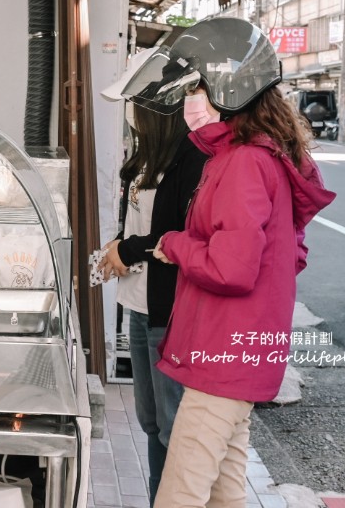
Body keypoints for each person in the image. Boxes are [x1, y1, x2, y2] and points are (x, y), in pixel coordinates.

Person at [122, 18, 336, 508]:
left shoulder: (242, 162)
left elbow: (232, 269)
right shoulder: (259, 156)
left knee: (181, 491)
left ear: (229, 88)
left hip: (224, 355)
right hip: (239, 352)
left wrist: (174, 243)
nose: (189, 101)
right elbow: (287, 254)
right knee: (224, 491)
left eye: (196, 86)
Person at [98, 50, 209, 504]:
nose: (130, 115)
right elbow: (138, 227)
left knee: (172, 424)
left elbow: (182, 236)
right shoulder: (145, 158)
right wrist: (115, 249)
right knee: (151, 422)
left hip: (172, 312)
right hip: (139, 307)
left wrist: (126, 249)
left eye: (135, 105)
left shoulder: (193, 160)